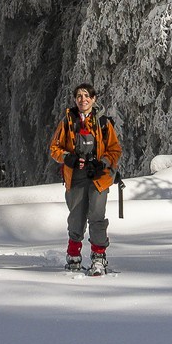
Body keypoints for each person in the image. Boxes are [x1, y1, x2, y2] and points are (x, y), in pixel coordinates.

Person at [49, 82, 122, 275]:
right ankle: (74, 256)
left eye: (87, 96)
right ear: (75, 99)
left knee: (97, 216)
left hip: (99, 177)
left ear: (94, 99)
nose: (83, 99)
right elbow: (54, 149)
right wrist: (69, 158)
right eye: (79, 96)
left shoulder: (104, 123)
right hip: (75, 177)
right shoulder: (67, 122)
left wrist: (102, 163)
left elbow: (115, 149)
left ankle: (99, 258)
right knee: (76, 217)